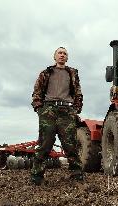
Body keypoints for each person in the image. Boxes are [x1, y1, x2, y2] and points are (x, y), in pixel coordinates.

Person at [30, 47, 84, 185]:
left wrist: (76, 110)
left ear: (67, 58)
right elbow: (37, 91)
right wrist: (39, 108)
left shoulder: (72, 73)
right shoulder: (46, 73)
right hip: (48, 110)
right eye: (59, 53)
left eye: (65, 53)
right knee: (45, 143)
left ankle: (77, 174)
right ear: (54, 57)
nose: (62, 55)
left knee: (70, 144)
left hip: (66, 111)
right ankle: (37, 176)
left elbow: (78, 93)